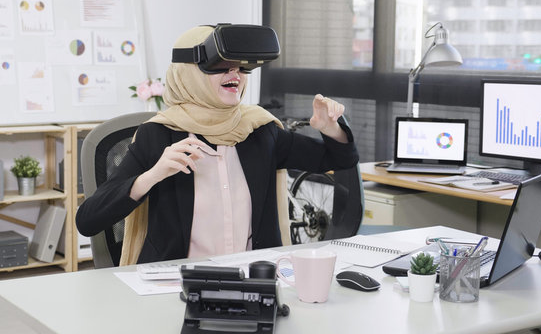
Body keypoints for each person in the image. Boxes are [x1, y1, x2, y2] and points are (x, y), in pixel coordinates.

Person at [76, 25, 359, 265]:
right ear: (189, 74)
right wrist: (152, 175)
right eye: (221, 66)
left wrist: (330, 128)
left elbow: (339, 159)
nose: (234, 74)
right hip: (176, 285)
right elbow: (88, 220)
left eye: (240, 67)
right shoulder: (159, 135)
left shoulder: (260, 130)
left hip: (254, 277)